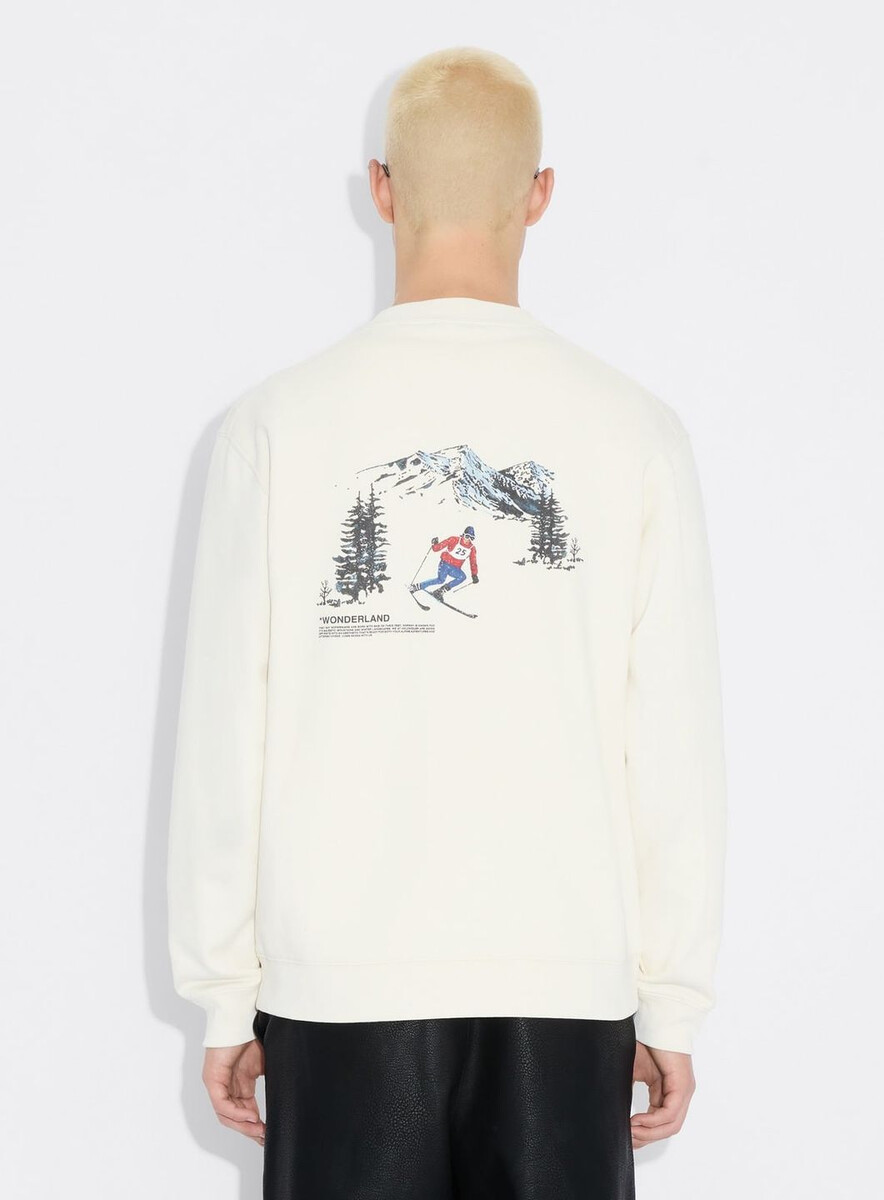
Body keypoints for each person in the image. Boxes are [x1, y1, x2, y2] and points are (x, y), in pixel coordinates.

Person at [167, 45, 728, 1200]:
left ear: (382, 189)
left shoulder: (274, 427)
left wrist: (225, 995)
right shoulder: (635, 430)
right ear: (540, 194)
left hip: (339, 986)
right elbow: (674, 745)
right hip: (564, 983)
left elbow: (225, 736)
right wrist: (670, 999)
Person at [412, 525, 479, 598]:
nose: (468, 540)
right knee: (440, 580)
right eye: (467, 536)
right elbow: (438, 548)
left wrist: (474, 575)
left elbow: (473, 562)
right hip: (445, 564)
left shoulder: (472, 548)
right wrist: (435, 544)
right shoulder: (454, 539)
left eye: (471, 538)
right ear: (463, 535)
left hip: (455, 568)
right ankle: (417, 586)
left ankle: (440, 591)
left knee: (462, 577)